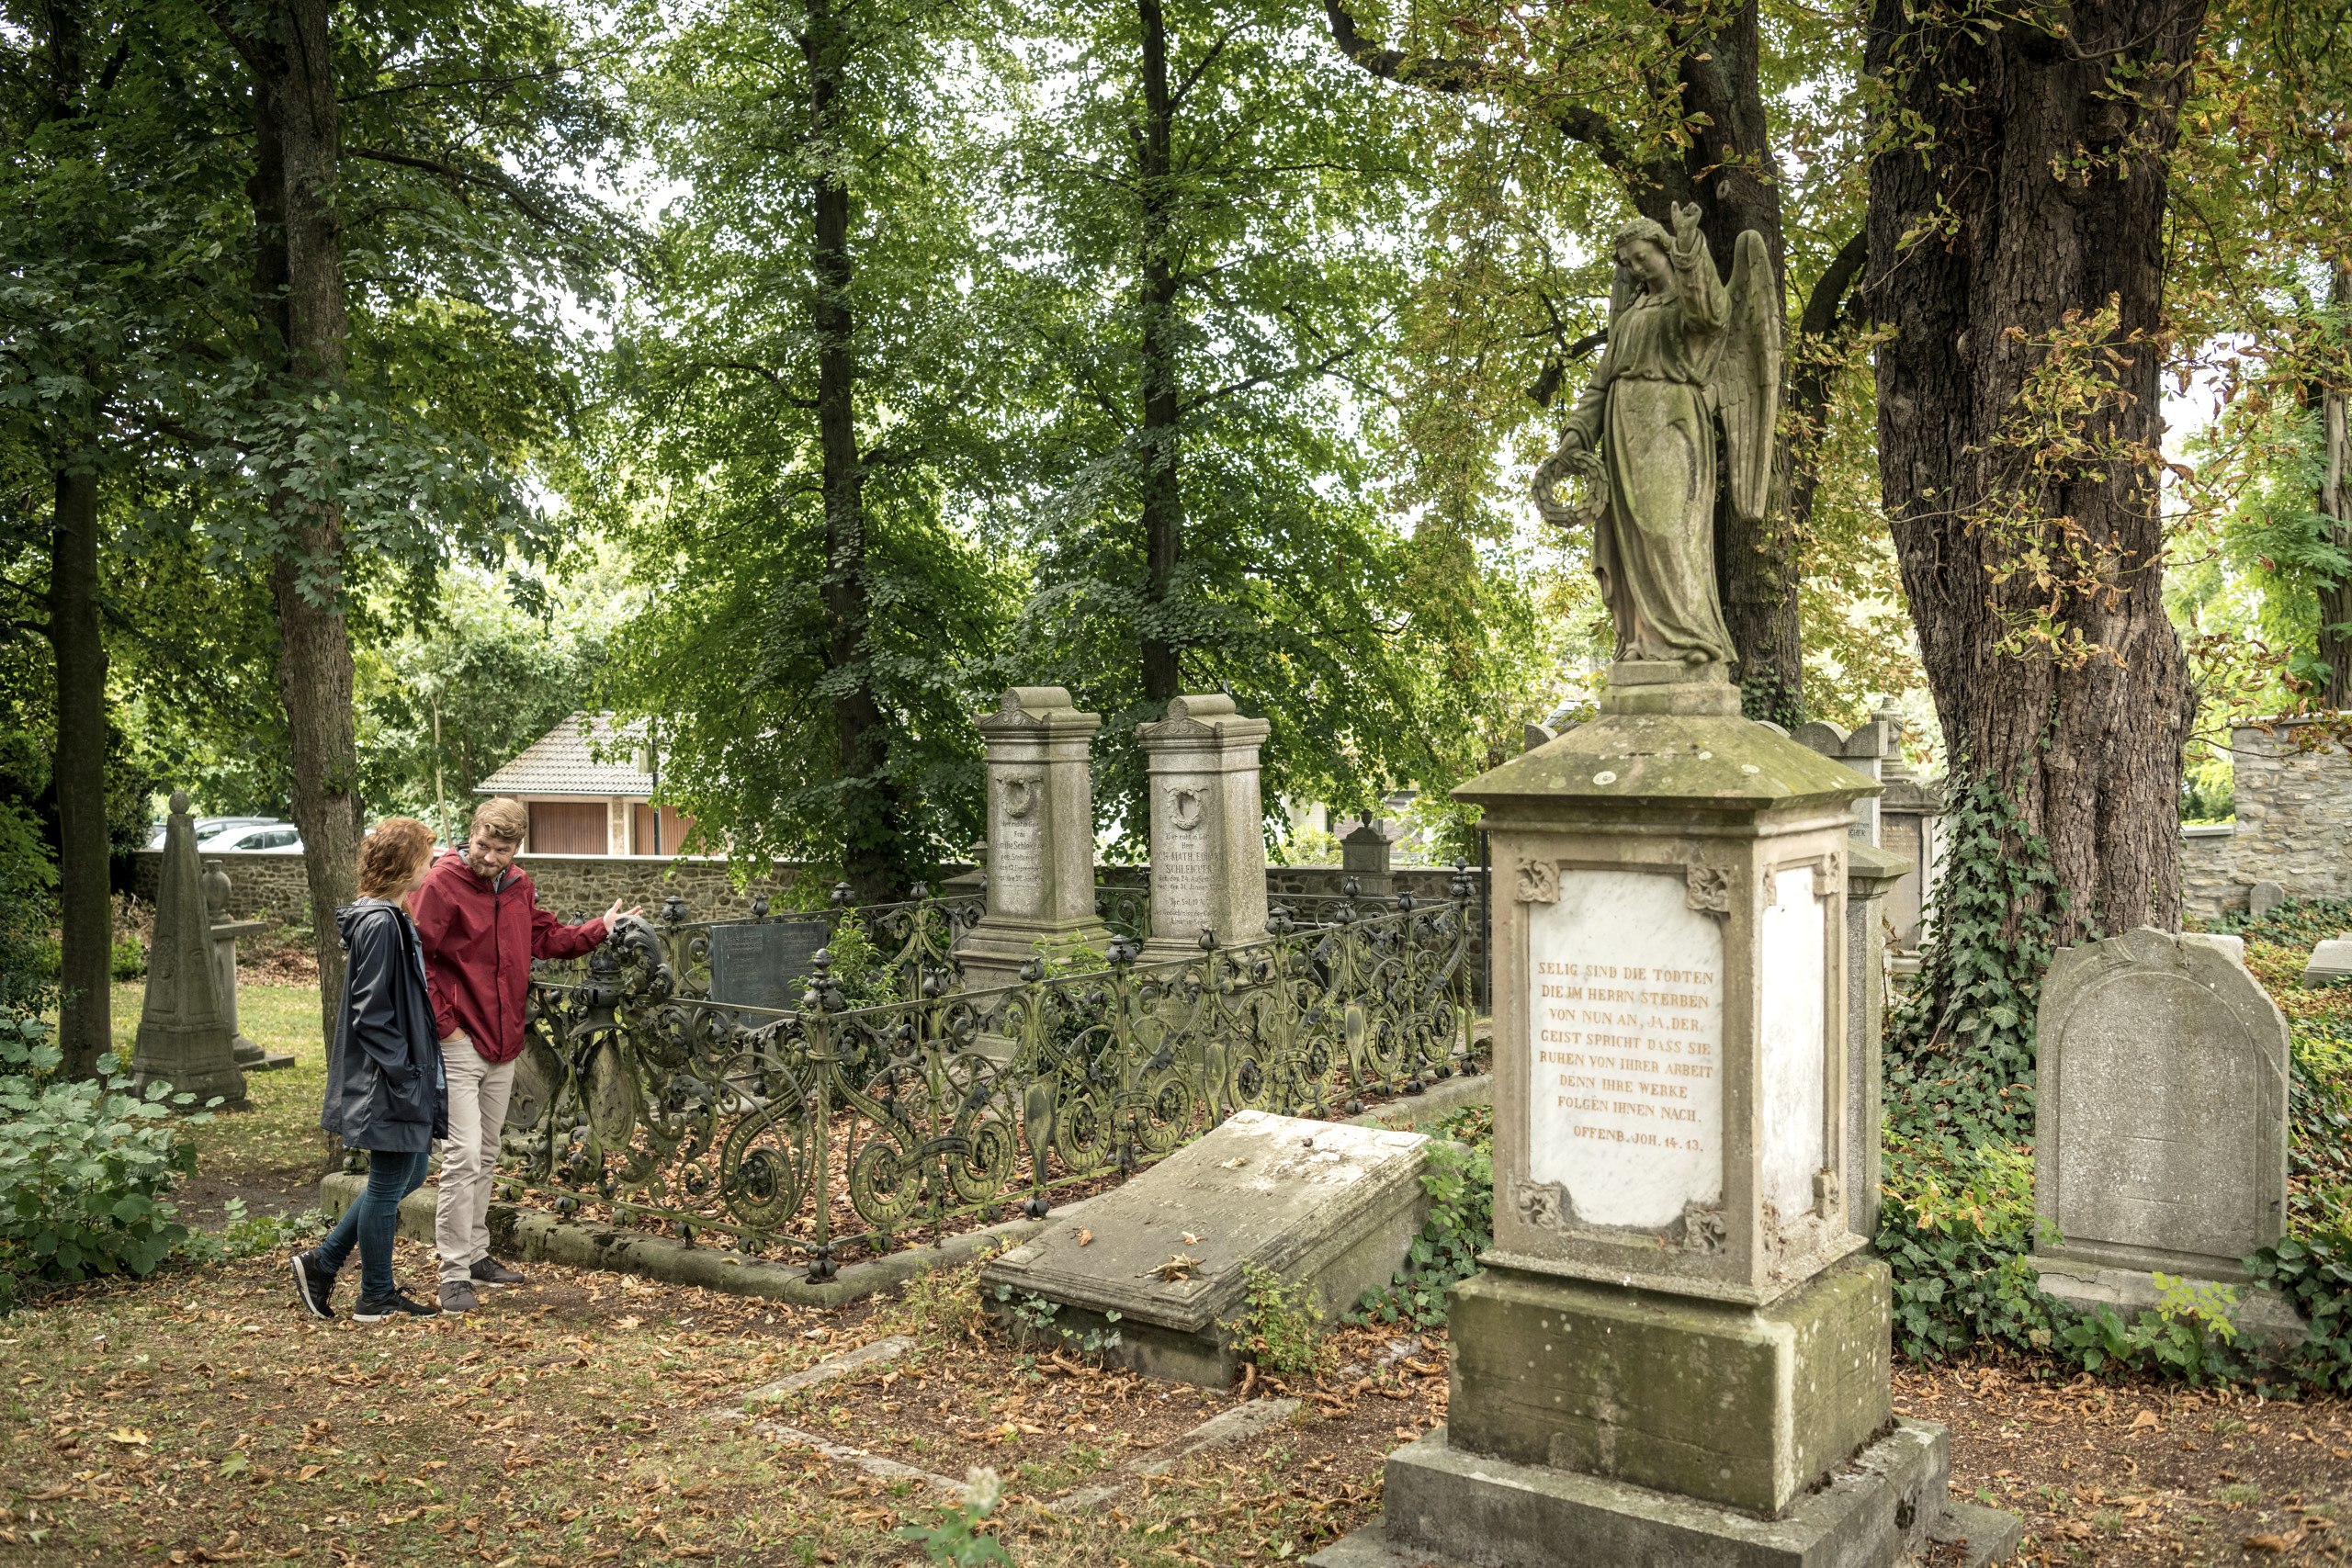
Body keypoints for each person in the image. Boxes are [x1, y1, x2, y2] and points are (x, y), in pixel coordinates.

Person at [411, 798, 639, 1314]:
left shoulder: (518, 886)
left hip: (505, 1041)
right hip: (460, 1042)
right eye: (483, 845)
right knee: (463, 1157)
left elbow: (545, 938)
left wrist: (600, 927)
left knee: (488, 1152)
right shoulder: (441, 884)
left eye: (501, 850)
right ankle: (452, 1274)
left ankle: (476, 1255)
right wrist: (447, 1028)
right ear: (471, 834)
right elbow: (418, 959)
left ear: (516, 848)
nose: (489, 857)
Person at [291, 817, 447, 1323]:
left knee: (412, 1171)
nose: (432, 862)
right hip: (386, 1077)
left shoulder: (392, 916)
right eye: (426, 855)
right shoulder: (380, 923)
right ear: (407, 863)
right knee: (387, 1183)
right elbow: (371, 1011)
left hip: (398, 1072)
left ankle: (324, 1262)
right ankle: (375, 1294)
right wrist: (404, 1073)